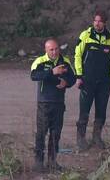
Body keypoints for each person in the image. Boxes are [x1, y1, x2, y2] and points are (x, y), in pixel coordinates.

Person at [73, 10, 110, 151]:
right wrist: (79, 76)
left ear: (104, 23)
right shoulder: (85, 36)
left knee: (101, 110)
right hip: (87, 80)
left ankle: (96, 137)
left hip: (104, 82)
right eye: (95, 21)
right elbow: (77, 56)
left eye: (100, 21)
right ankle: (81, 139)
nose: (97, 23)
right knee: (84, 110)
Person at [29, 38, 77, 171]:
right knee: (41, 133)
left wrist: (66, 83)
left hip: (59, 103)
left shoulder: (65, 62)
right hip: (44, 103)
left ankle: (52, 161)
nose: (54, 52)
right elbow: (34, 76)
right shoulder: (40, 61)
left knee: (56, 133)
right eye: (51, 49)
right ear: (46, 50)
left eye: (56, 49)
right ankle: (38, 162)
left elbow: (73, 78)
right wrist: (52, 72)